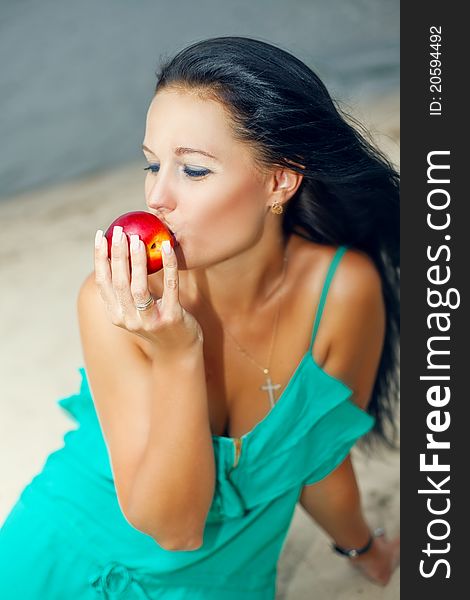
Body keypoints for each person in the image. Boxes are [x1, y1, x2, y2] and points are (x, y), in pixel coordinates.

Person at [0, 36, 400, 598]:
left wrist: (361, 547)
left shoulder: (343, 291)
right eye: (152, 164)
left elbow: (318, 458)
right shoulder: (114, 303)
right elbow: (176, 528)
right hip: (57, 556)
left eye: (193, 170)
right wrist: (177, 353)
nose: (156, 197)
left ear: (278, 181)